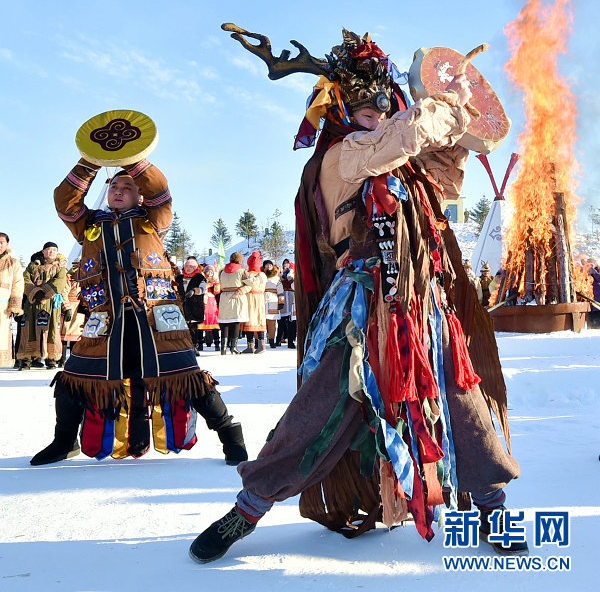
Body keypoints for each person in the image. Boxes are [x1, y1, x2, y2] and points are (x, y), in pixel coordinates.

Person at [190, 27, 526, 562]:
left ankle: (493, 504)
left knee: (462, 397)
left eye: (383, 105)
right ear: (342, 110)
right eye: (363, 107)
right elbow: (405, 137)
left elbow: (446, 173)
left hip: (423, 306)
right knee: (320, 406)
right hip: (359, 307)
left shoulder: (402, 159)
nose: (376, 114)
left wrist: (459, 126)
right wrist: (447, 108)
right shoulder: (342, 157)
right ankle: (246, 509)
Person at [30, 158, 247, 466]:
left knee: (188, 378)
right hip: (106, 323)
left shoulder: (153, 219)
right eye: (113, 186)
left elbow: (160, 192)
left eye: (127, 187)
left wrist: (134, 160)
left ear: (139, 194)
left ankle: (230, 438)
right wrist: (90, 162)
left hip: (156, 321)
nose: (118, 191)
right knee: (75, 378)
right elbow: (65, 202)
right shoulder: (89, 226)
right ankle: (63, 442)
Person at [17, 242, 67, 370]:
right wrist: (34, 292)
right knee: (29, 330)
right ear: (43, 251)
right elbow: (25, 279)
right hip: (32, 303)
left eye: (54, 250)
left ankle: (51, 360)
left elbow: (60, 282)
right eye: (49, 250)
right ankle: (26, 361)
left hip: (50, 304)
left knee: (50, 330)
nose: (52, 252)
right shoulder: (33, 266)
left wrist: (44, 293)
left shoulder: (60, 267)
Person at [218, 252, 250, 354]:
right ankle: (233, 347)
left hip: (224, 297)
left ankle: (223, 348)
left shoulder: (222, 271)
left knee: (225, 322)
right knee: (236, 321)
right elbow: (249, 284)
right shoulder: (242, 271)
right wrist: (240, 291)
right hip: (237, 297)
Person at [0, 232, 24, 368]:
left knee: (2, 335)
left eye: (1, 242)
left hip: (3, 306)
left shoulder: (13, 263)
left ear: (6, 244)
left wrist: (15, 305)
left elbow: (18, 284)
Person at [59, 261, 86, 367]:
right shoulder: (69, 278)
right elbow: (64, 292)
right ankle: (62, 359)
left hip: (80, 307)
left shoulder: (85, 278)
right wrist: (66, 307)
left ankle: (73, 358)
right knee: (65, 333)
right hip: (70, 305)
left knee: (77, 334)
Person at [177, 256, 205, 353]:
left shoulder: (200, 277)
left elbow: (203, 289)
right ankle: (184, 347)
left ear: (195, 267)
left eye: (190, 266)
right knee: (183, 327)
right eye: (186, 266)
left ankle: (194, 346)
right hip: (182, 305)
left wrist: (194, 291)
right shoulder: (179, 278)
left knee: (193, 327)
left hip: (195, 305)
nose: (188, 268)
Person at [241, 250, 267, 354]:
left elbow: (251, 282)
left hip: (251, 298)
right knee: (256, 320)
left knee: (251, 320)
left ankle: (255, 345)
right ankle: (256, 345)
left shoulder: (250, 274)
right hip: (258, 298)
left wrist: (245, 280)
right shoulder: (262, 275)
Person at [198, 265, 221, 350]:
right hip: (203, 301)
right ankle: (199, 343)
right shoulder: (201, 279)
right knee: (201, 322)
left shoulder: (215, 280)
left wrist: (216, 283)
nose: (209, 273)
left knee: (213, 322)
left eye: (211, 272)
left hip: (211, 302)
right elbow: (202, 288)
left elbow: (217, 291)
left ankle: (217, 343)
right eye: (208, 271)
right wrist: (209, 283)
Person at [263, 259, 284, 348]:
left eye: (270, 265)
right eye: (267, 265)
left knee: (272, 322)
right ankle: (259, 341)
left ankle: (272, 340)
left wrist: (281, 302)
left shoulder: (276, 278)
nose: (269, 266)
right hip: (262, 299)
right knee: (261, 321)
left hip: (273, 300)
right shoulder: (262, 276)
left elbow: (280, 291)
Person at [275, 258, 296, 349]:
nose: (286, 265)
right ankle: (278, 339)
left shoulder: (293, 273)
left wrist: (290, 279)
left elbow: (295, 284)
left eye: (288, 263)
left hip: (291, 295)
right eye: (285, 263)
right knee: (281, 319)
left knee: (292, 319)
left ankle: (291, 341)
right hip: (283, 295)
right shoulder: (280, 273)